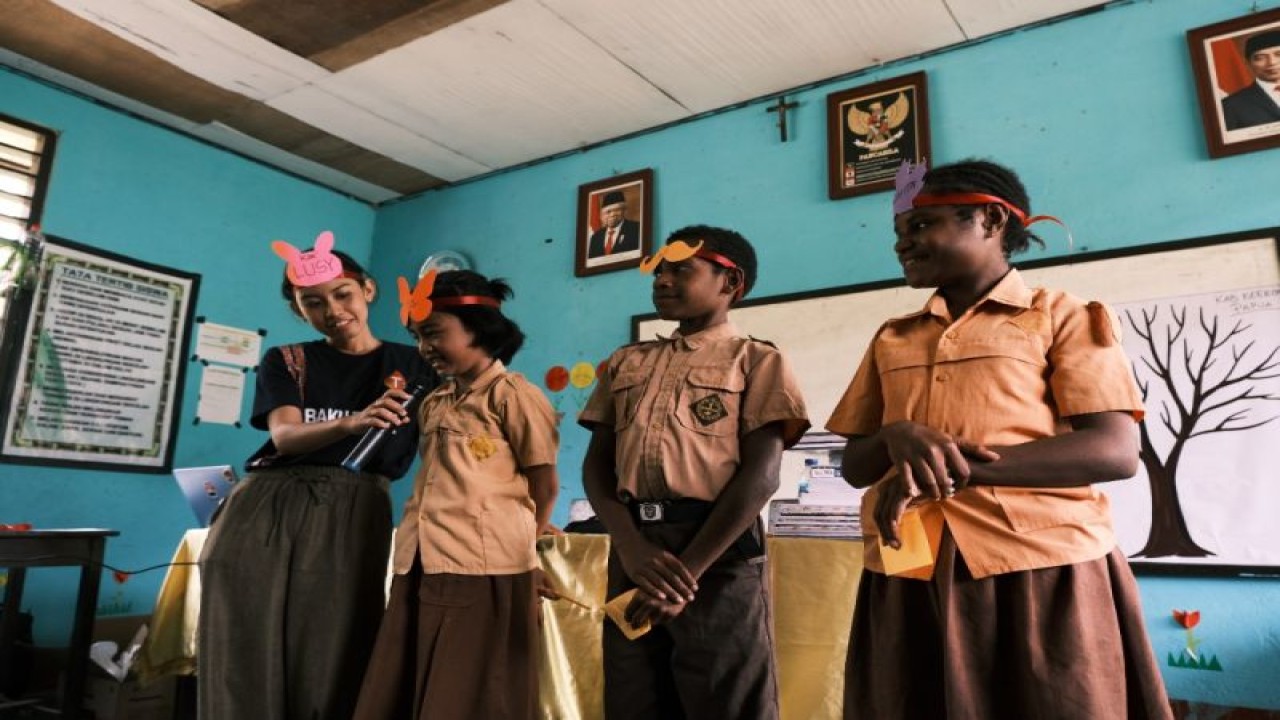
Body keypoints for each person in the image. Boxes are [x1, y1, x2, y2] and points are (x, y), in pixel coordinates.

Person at [828, 159, 1172, 719]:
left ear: (989, 221)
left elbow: (1112, 451)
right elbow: (857, 466)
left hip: (1041, 569)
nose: (902, 245)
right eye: (898, 235)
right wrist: (898, 437)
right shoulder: (892, 338)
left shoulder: (1063, 317)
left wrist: (945, 467)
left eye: (919, 226)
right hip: (911, 570)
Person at [198, 233, 434, 720]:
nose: (333, 309)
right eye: (313, 302)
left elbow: (447, 443)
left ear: (368, 290)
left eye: (343, 293)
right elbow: (285, 437)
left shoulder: (415, 365)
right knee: (243, 646)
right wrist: (355, 420)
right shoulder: (286, 361)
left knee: (335, 650)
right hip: (266, 504)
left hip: (356, 506)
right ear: (299, 311)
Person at [579, 225, 809, 720]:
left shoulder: (756, 360)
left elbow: (762, 476)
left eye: (681, 269)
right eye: (659, 270)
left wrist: (687, 575)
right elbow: (596, 467)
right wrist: (632, 546)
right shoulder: (625, 362)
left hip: (716, 549)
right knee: (633, 692)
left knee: (723, 694)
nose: (662, 280)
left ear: (731, 282)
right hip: (636, 543)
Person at [354, 269, 560, 720]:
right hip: (420, 557)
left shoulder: (515, 396)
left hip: (484, 564)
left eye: (433, 333)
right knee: (409, 680)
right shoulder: (433, 401)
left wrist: (531, 553)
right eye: (417, 336)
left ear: (480, 330)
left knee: (470, 689)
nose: (424, 347)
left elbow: (543, 485)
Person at [1222, 30, 1280, 130]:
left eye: (1278, 54)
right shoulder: (1230, 105)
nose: (1272, 63)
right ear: (1247, 63)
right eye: (1260, 58)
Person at [587, 189, 642, 258]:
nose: (612, 214)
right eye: (608, 211)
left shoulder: (637, 228)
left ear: (624, 210)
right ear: (602, 214)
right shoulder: (596, 237)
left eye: (617, 210)